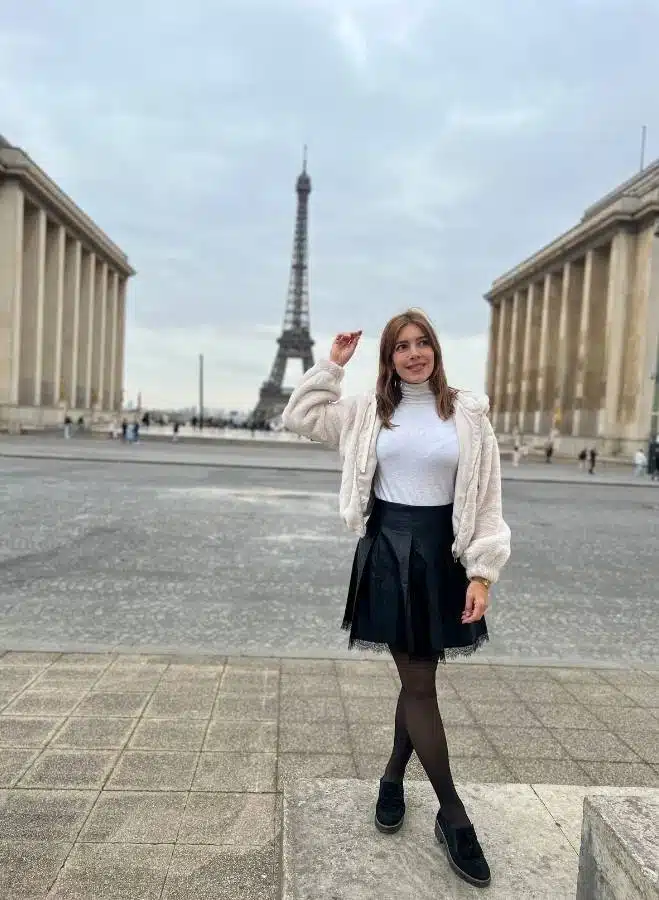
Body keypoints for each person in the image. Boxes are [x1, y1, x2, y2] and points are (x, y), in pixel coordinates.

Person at [282, 309, 511, 889]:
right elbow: (299, 416)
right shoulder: (366, 411)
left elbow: (487, 500)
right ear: (387, 359)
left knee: (418, 682)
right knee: (419, 683)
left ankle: (391, 776)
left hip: (444, 555)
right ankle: (454, 815)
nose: (414, 354)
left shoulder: (468, 414)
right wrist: (331, 366)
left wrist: (482, 572)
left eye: (423, 343)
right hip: (387, 551)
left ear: (436, 349)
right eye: (401, 347)